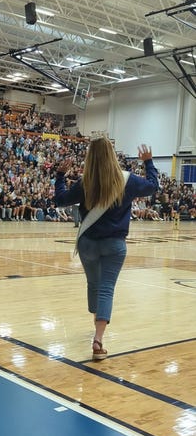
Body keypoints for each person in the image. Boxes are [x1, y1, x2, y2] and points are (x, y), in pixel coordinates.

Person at [54, 138, 159, 360]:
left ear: (90, 157)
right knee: (106, 288)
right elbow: (152, 186)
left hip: (88, 243)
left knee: (94, 284)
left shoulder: (85, 182)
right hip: (114, 245)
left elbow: (60, 200)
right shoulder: (127, 180)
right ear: (112, 155)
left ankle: (97, 321)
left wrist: (60, 176)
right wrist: (148, 162)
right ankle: (98, 338)